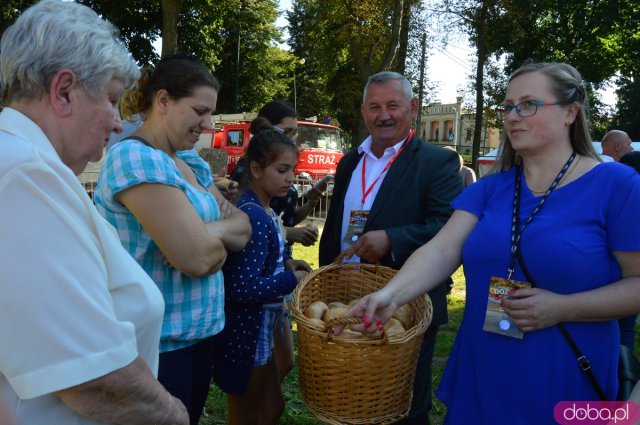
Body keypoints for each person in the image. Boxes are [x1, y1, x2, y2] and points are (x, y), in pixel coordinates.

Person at [341, 62, 640, 424]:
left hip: (563, 372)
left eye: (528, 104)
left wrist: (564, 307)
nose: (512, 116)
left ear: (570, 113)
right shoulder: (489, 188)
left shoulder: (618, 186)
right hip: (484, 368)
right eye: (508, 106)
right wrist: (390, 295)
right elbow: (441, 249)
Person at [0, 1, 187, 424]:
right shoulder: (25, 176)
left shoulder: (22, 165)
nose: (118, 122)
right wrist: (172, 415)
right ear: (63, 91)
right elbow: (95, 377)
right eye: (112, 99)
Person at [94, 54, 251, 425]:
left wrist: (207, 233)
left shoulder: (188, 161)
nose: (208, 124)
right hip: (157, 347)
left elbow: (244, 227)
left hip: (198, 337)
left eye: (211, 113)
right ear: (162, 101)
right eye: (199, 110)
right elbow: (195, 259)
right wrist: (209, 241)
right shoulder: (135, 157)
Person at [319, 71, 464, 424]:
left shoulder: (436, 161)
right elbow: (337, 223)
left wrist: (392, 239)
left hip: (407, 306)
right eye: (374, 107)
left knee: (401, 406)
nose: (383, 115)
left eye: (393, 106)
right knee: (351, 398)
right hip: (349, 303)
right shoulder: (350, 160)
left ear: (413, 108)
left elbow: (448, 226)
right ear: (364, 112)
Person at [213, 118, 311, 425]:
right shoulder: (253, 214)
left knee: (273, 407)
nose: (291, 179)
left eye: (293, 170)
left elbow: (260, 263)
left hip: (261, 329)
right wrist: (289, 279)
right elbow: (241, 287)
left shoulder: (265, 208)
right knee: (246, 415)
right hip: (247, 333)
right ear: (256, 169)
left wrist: (285, 264)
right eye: (282, 171)